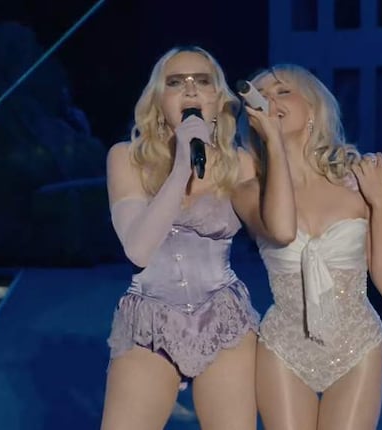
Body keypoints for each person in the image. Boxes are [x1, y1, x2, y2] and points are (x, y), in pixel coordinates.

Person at [232, 64, 382, 430]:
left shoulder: (358, 182)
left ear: (313, 108)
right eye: (261, 96)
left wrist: (381, 200)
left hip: (357, 344)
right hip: (284, 346)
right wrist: (274, 144)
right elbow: (282, 231)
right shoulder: (249, 191)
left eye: (282, 91)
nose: (269, 100)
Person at [100, 46, 261, 430]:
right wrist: (181, 166)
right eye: (176, 82)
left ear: (218, 100)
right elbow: (138, 250)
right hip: (149, 322)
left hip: (224, 319)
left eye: (202, 81)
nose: (190, 90)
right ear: (159, 101)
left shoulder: (240, 164)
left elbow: (280, 232)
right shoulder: (126, 158)